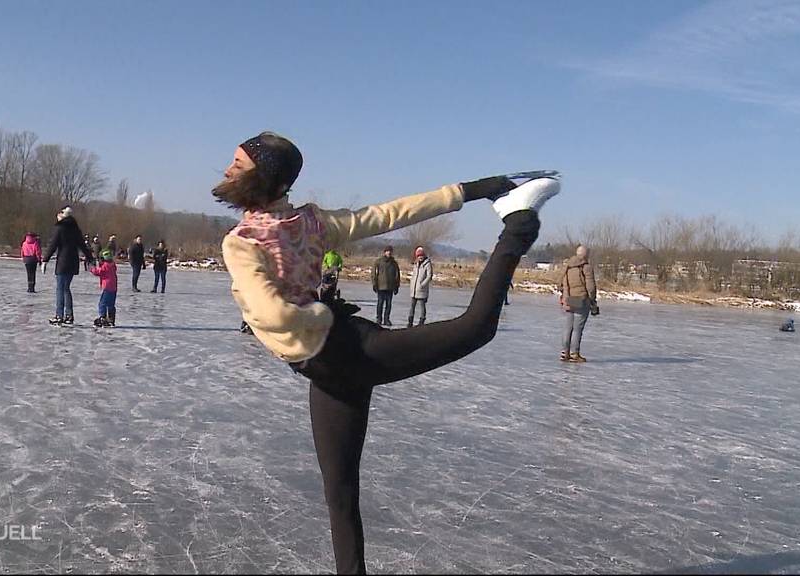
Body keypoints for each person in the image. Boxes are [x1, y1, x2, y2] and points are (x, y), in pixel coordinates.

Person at [216, 131, 558, 574]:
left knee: (475, 328)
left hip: (349, 353)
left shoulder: (243, 241)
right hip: (328, 375)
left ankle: (519, 225)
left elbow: (272, 314)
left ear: (266, 178)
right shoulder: (310, 222)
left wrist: (315, 316)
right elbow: (388, 213)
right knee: (339, 494)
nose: (227, 169)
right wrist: (474, 189)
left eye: (238, 163)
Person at [42, 206, 95, 325]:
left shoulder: (60, 228)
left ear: (61, 215)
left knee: (60, 289)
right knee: (66, 288)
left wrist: (45, 260)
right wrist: (90, 258)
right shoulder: (75, 229)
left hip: (63, 262)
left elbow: (53, 245)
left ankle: (59, 315)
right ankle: (69, 315)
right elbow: (82, 245)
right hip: (73, 262)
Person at [559, 244, 598, 363]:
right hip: (581, 300)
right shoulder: (586, 267)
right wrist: (592, 299)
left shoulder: (568, 266)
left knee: (568, 327)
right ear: (586, 255)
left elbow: (559, 282)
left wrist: (564, 294)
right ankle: (574, 354)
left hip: (569, 299)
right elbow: (590, 287)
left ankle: (565, 352)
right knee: (577, 329)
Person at [371, 245, 400, 326]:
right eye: (387, 251)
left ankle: (386, 319)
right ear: (384, 252)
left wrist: (397, 286)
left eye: (390, 251)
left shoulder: (394, 263)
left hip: (390, 287)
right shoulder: (378, 262)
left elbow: (397, 275)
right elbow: (374, 273)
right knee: (380, 303)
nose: (389, 252)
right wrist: (374, 284)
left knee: (388, 304)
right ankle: (379, 318)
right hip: (381, 286)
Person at [89, 249, 118, 327]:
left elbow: (98, 272)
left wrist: (92, 268)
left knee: (102, 303)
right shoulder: (112, 265)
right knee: (111, 304)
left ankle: (103, 317)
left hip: (107, 287)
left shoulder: (105, 266)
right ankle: (111, 318)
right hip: (113, 288)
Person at [407, 246, 433, 327]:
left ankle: (422, 321)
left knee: (422, 306)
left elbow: (429, 276)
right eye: (418, 256)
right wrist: (411, 282)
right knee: (412, 306)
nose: (420, 257)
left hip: (421, 289)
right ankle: (410, 321)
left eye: (421, 255)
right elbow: (415, 275)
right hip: (414, 289)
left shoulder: (427, 264)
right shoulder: (416, 264)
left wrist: (423, 284)